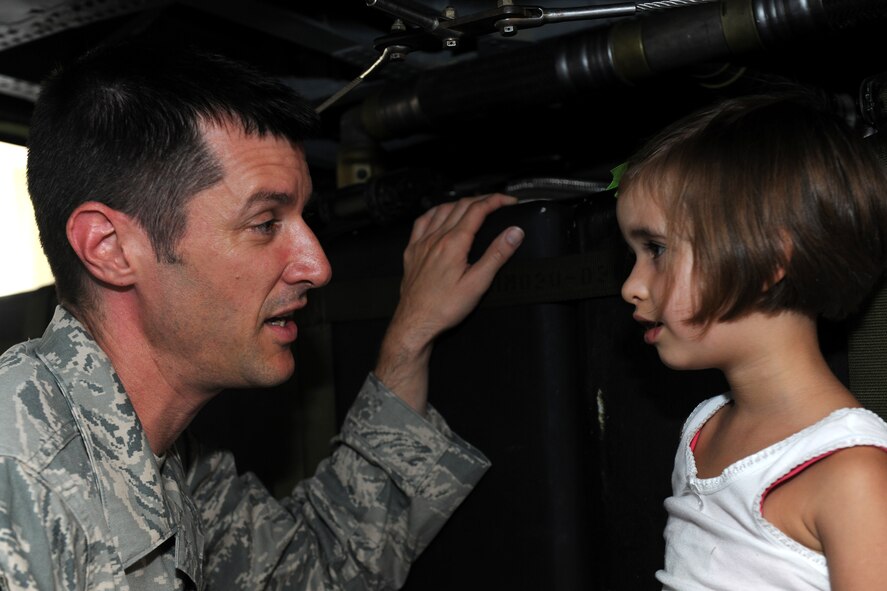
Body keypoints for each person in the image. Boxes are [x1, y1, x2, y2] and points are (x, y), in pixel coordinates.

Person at [0, 39, 525, 590]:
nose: (317, 267)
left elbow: (320, 572)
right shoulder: (21, 476)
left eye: (302, 219)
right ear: (109, 248)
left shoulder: (173, 465)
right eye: (265, 224)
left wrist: (409, 341)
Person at [616, 91, 887, 589]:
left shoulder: (853, 474)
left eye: (656, 249)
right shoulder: (704, 430)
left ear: (770, 259)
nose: (631, 286)